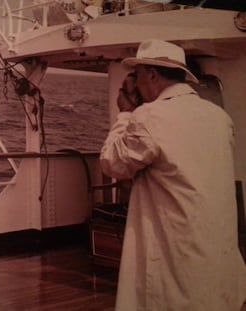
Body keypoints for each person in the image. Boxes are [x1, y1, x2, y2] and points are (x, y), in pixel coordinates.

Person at [100, 39, 246, 310]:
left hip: (174, 256)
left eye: (138, 75)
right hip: (217, 254)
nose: (136, 83)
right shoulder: (219, 117)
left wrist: (125, 115)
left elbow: (112, 163)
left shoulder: (149, 117)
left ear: (153, 75)